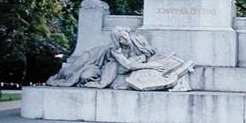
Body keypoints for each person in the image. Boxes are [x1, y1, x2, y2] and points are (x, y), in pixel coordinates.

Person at [46, 27, 192, 91]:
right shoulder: (115, 50)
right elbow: (127, 65)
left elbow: (151, 53)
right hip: (94, 57)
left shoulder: (139, 40)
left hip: (105, 65)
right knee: (75, 72)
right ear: (117, 41)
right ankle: (60, 75)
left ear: (128, 33)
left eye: (125, 36)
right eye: (121, 39)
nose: (125, 40)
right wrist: (151, 65)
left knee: (86, 76)